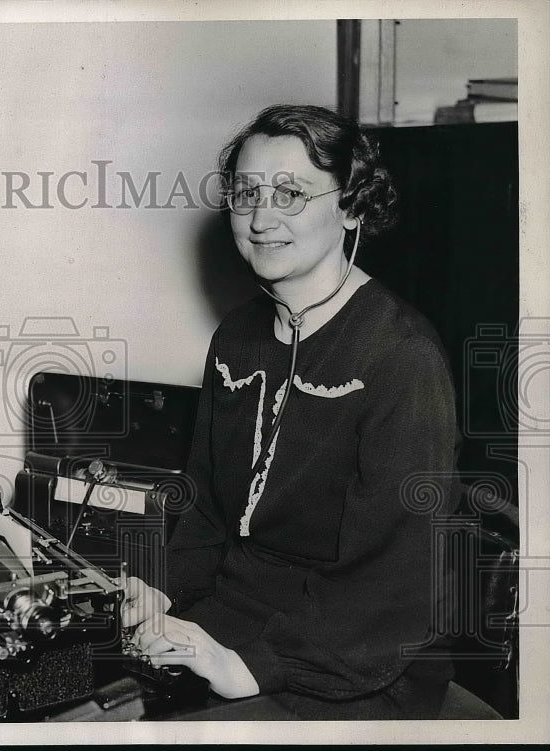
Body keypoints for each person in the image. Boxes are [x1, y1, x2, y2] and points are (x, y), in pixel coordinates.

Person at [123, 104, 459, 719]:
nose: (260, 217)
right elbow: (203, 505)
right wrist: (161, 590)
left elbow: (399, 580)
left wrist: (250, 666)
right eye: (246, 193)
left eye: (291, 193)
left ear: (352, 207)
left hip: (357, 654)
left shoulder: (401, 358)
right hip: (235, 613)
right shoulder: (237, 337)